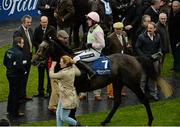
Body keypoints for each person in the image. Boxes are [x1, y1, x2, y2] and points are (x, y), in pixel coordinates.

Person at [73, 11, 105, 101]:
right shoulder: (92, 28)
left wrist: (91, 45)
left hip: (95, 53)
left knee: (75, 59)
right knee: (74, 55)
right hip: (90, 51)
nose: (87, 21)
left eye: (89, 19)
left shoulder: (98, 31)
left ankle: (91, 73)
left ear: (94, 21)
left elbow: (102, 44)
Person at [49, 55, 81, 126]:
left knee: (64, 117)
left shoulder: (63, 73)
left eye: (61, 62)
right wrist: (73, 65)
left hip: (67, 98)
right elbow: (79, 73)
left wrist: (52, 66)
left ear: (65, 64)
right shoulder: (72, 69)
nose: (59, 63)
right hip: (65, 95)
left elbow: (51, 75)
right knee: (58, 114)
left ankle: (78, 125)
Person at [48, 30, 74, 112]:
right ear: (59, 37)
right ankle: (52, 106)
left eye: (67, 38)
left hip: (59, 70)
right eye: (64, 38)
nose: (66, 40)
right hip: (55, 70)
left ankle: (55, 105)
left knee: (57, 89)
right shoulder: (56, 46)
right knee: (56, 89)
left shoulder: (61, 44)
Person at [135, 22, 162, 100]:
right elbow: (137, 47)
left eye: (151, 28)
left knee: (153, 77)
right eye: (148, 28)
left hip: (154, 60)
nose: (149, 29)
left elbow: (159, 46)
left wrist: (159, 52)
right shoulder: (141, 37)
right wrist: (143, 57)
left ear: (155, 29)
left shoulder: (158, 36)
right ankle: (141, 95)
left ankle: (154, 93)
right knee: (143, 77)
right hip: (145, 61)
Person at [106, 22, 132, 98]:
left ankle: (121, 91)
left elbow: (126, 44)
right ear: (114, 29)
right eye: (116, 29)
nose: (118, 31)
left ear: (122, 29)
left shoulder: (124, 34)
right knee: (112, 76)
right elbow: (108, 50)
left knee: (122, 75)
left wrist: (128, 46)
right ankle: (110, 93)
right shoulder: (110, 37)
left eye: (120, 29)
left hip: (123, 58)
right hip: (114, 60)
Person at [33, 16, 56, 98]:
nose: (44, 24)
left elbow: (54, 41)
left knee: (49, 74)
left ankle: (48, 91)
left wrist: (46, 47)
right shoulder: (37, 29)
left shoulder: (52, 29)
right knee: (40, 74)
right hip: (40, 56)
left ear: (47, 22)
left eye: (45, 22)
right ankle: (40, 91)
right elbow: (34, 40)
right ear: (40, 22)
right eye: (43, 22)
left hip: (49, 56)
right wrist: (40, 46)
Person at [3, 37, 26, 117]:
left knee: (11, 92)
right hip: (16, 76)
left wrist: (10, 67)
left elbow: (4, 62)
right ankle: (15, 112)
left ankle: (9, 110)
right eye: (22, 43)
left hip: (9, 74)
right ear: (18, 43)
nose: (23, 44)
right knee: (16, 93)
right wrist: (24, 71)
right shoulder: (19, 53)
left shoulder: (8, 51)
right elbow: (19, 66)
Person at [13, 15, 33, 101]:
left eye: (30, 22)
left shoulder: (30, 30)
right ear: (23, 22)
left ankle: (23, 95)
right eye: (27, 22)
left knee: (25, 77)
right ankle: (19, 97)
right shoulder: (18, 32)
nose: (29, 24)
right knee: (21, 78)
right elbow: (16, 47)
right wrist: (20, 59)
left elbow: (31, 42)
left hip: (29, 58)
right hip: (22, 59)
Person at [168, 0, 180, 73]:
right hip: (172, 38)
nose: (174, 8)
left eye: (176, 6)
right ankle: (175, 66)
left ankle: (177, 68)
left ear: (179, 6)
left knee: (178, 53)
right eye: (173, 6)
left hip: (178, 39)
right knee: (174, 53)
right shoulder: (172, 13)